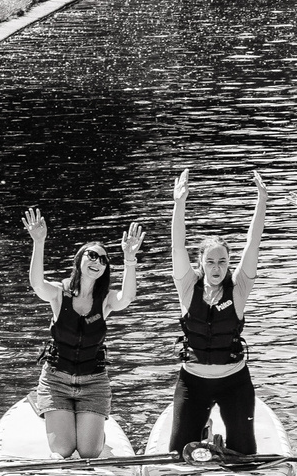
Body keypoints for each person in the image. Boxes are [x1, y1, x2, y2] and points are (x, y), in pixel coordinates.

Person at [166, 167, 269, 456]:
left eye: (222, 262)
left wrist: (261, 201)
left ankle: (222, 443)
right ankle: (202, 432)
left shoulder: (238, 289)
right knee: (177, 455)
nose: (216, 268)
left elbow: (253, 243)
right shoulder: (187, 286)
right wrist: (179, 203)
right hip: (192, 382)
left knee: (245, 453)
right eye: (210, 262)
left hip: (234, 382)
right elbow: (177, 246)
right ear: (200, 263)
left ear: (228, 264)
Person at [24, 209, 142, 459]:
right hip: (56, 380)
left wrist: (129, 259)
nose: (97, 261)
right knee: (64, 450)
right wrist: (39, 242)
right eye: (92, 255)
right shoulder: (58, 293)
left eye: (103, 259)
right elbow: (36, 284)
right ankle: (51, 410)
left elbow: (128, 297)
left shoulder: (106, 300)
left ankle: (94, 431)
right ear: (79, 259)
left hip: (94, 383)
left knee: (89, 451)